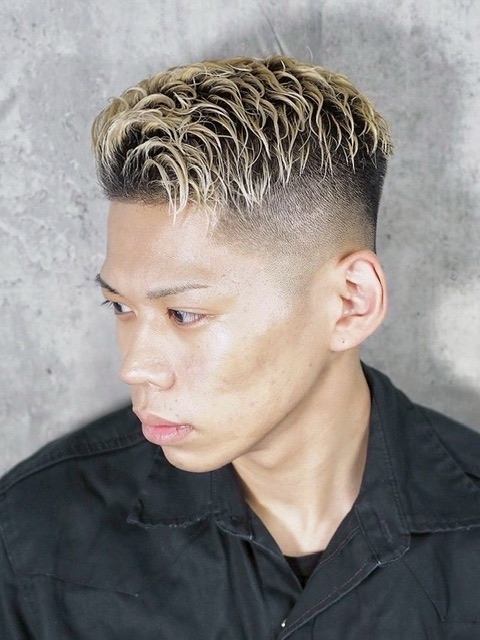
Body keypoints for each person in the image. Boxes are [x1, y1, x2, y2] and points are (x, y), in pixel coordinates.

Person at [1, 55, 479, 639]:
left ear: (351, 302)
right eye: (120, 307)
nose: (136, 367)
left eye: (184, 313)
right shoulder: (33, 540)